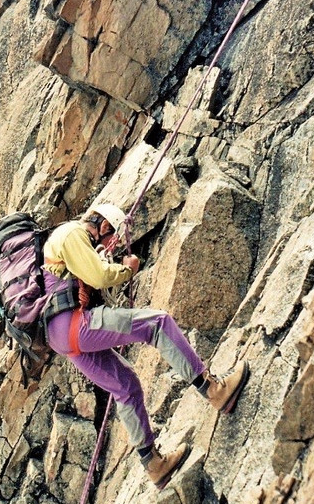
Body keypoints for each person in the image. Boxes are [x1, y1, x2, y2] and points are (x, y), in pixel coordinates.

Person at [41, 203, 247, 489]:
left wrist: (104, 261)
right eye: (111, 233)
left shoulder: (68, 241)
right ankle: (213, 389)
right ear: (101, 225)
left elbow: (84, 279)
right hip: (75, 325)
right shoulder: (72, 232)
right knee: (158, 323)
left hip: (62, 337)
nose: (111, 241)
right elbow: (99, 277)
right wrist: (126, 271)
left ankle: (153, 464)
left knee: (125, 385)